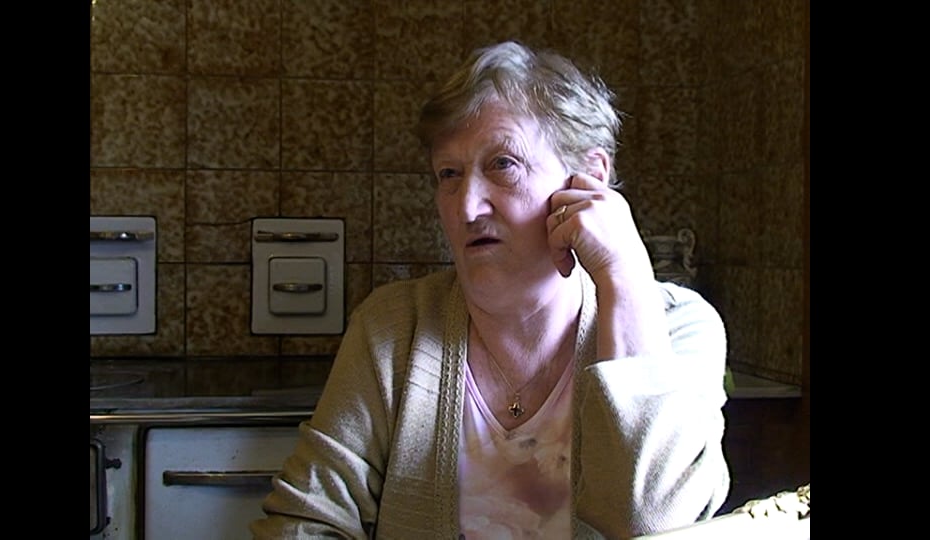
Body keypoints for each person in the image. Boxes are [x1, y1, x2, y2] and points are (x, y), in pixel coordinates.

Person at [251, 40, 730, 539]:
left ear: (589, 179)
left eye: (503, 164)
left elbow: (652, 522)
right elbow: (305, 523)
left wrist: (623, 276)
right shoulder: (392, 329)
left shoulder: (678, 328)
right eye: (449, 174)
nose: (466, 207)